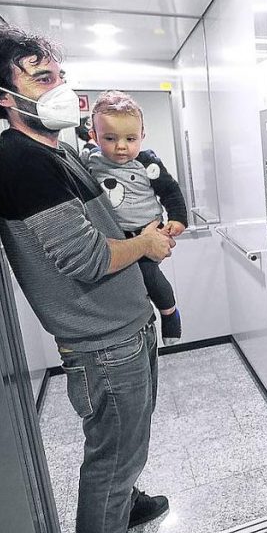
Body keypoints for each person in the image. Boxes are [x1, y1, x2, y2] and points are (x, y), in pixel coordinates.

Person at [0, 25, 171, 533]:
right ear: (3, 97)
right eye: (43, 77)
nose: (61, 89)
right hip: (101, 341)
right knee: (114, 448)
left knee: (131, 438)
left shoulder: (62, 151)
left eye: (61, 75)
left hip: (126, 325)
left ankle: (123, 504)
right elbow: (85, 259)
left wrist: (149, 230)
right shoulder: (19, 161)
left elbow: (102, 227)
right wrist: (146, 246)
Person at [87, 90, 188, 345]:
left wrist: (177, 219)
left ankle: (169, 313)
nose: (121, 146)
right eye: (110, 138)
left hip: (147, 229)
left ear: (142, 136)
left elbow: (170, 190)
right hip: (112, 236)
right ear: (94, 136)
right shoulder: (90, 161)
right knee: (120, 281)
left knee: (149, 276)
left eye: (130, 138)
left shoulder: (147, 162)